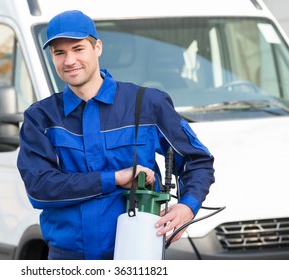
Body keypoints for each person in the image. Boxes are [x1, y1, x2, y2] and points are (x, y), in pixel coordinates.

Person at [17, 10, 215, 260]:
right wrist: (116, 178)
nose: (69, 60)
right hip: (67, 259)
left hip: (138, 253)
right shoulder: (41, 118)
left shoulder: (146, 104)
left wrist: (188, 206)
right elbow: (39, 188)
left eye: (78, 49)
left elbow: (197, 161)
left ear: (97, 47)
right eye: (60, 53)